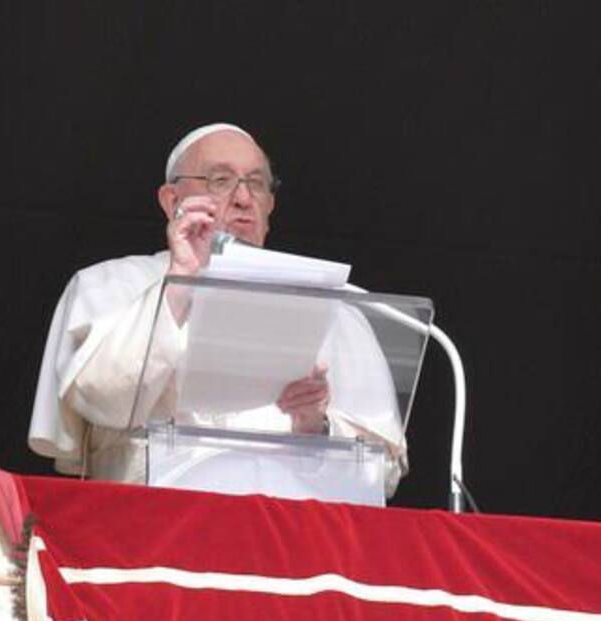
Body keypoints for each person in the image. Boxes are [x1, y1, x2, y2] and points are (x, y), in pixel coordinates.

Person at [28, 123, 407, 495]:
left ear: (270, 204)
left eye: (257, 183)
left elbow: (383, 474)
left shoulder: (337, 308)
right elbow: (104, 400)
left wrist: (316, 426)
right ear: (171, 200)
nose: (243, 198)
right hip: (153, 535)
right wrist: (180, 282)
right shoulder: (109, 284)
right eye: (220, 180)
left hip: (291, 542)